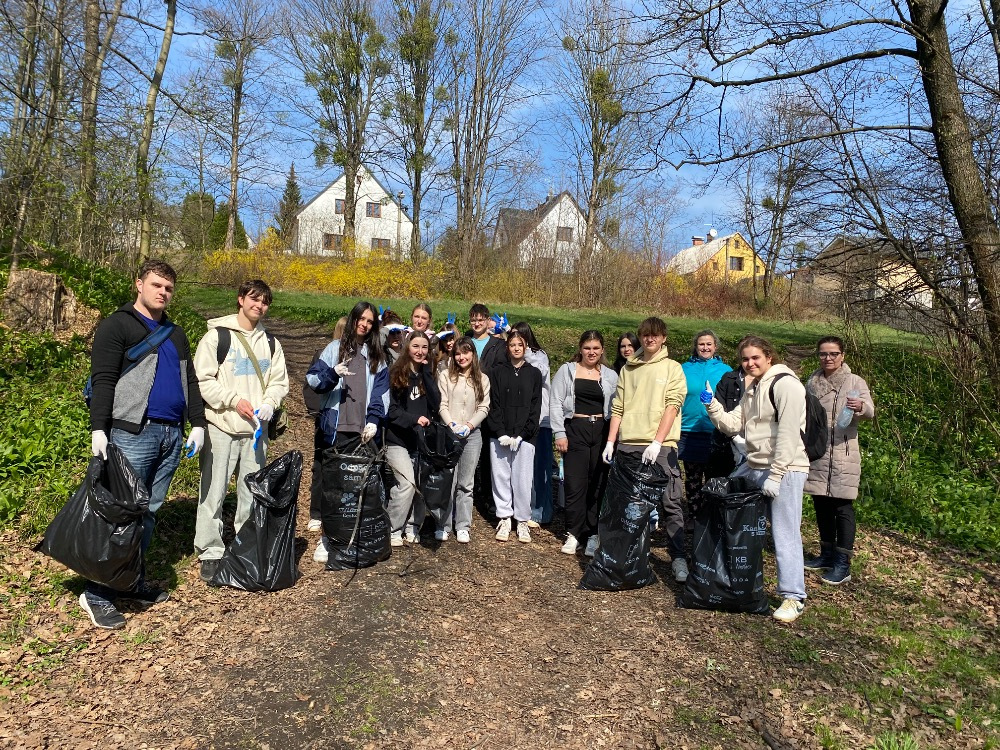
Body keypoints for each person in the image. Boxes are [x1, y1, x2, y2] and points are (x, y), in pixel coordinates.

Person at [83, 259, 207, 629]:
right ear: (139, 284)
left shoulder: (176, 333)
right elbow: (104, 379)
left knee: (148, 512)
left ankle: (129, 581)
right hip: (132, 432)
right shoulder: (117, 325)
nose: (163, 292)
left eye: (168, 288)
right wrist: (99, 428)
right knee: (120, 512)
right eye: (156, 285)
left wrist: (198, 424)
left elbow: (190, 381)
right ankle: (97, 592)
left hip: (171, 434)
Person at [702, 335, 810, 623]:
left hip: (786, 467)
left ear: (769, 357)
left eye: (755, 358)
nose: (749, 363)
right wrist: (712, 405)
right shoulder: (752, 387)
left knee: (784, 531)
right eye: (745, 359)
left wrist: (776, 474)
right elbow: (733, 425)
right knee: (726, 508)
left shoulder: (786, 385)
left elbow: (788, 433)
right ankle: (730, 577)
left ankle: (793, 597)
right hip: (755, 464)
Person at [192, 280, 290, 583]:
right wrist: (234, 400)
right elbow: (202, 380)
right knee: (214, 491)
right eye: (254, 299)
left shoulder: (271, 343)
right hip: (221, 426)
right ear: (240, 299)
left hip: (256, 432)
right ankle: (210, 550)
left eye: (264, 302)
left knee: (251, 493)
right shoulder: (217, 337)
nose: (259, 305)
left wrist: (270, 403)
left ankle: (244, 546)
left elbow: (279, 381)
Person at [603, 317, 688, 581]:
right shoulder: (629, 369)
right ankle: (632, 557)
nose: (650, 339)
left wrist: (658, 441)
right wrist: (611, 441)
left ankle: (678, 558)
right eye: (646, 335)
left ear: (663, 338)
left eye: (655, 335)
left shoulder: (673, 368)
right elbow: (618, 407)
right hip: (629, 444)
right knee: (630, 505)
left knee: (670, 503)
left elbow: (672, 405)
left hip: (661, 447)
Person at [306, 301, 390, 563]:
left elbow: (382, 393)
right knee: (333, 488)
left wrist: (374, 420)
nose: (364, 324)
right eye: (361, 319)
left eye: (369, 321)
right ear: (353, 319)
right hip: (336, 428)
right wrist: (332, 373)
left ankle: (355, 538)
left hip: (363, 431)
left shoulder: (377, 356)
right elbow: (313, 380)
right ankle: (327, 539)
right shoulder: (334, 348)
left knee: (359, 487)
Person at [803, 336, 875, 585]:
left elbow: (870, 411)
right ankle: (826, 554)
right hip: (818, 452)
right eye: (823, 353)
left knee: (842, 507)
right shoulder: (812, 382)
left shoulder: (855, 381)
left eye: (833, 353)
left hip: (844, 453)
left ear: (842, 356)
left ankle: (842, 564)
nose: (828, 358)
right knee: (821, 503)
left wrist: (861, 407)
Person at [550, 331, 618, 556]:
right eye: (587, 348)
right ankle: (574, 533)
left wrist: (613, 439)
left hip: (601, 431)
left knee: (597, 484)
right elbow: (555, 402)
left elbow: (617, 407)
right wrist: (560, 433)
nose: (591, 352)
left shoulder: (610, 375)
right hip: (575, 429)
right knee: (574, 483)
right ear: (580, 348)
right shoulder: (567, 370)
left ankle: (592, 534)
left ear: (602, 350)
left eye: (596, 348)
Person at [385, 331, 440, 545]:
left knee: (421, 486)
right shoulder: (396, 373)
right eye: (416, 346)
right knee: (407, 483)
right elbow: (392, 411)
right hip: (397, 440)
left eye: (424, 347)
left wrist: (427, 374)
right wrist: (414, 419)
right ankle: (392, 528)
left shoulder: (428, 373)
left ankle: (413, 525)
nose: (420, 351)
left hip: (420, 440)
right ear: (407, 347)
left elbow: (436, 403)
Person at [487, 330, 542, 543]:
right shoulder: (497, 372)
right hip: (500, 435)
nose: (516, 348)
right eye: (512, 345)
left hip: (524, 438)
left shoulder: (534, 373)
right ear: (507, 347)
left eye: (520, 344)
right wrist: (500, 432)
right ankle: (504, 518)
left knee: (522, 479)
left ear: (525, 347)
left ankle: (522, 520)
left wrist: (522, 435)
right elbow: (493, 404)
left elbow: (535, 408)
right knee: (501, 477)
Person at [437, 336, 491, 543]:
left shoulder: (482, 379)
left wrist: (469, 425)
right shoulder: (445, 376)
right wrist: (451, 425)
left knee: (466, 483)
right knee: (448, 481)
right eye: (457, 353)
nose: (461, 357)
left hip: (472, 435)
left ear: (473, 354)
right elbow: (442, 404)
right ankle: (443, 523)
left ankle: (463, 525)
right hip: (449, 433)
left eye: (465, 352)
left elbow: (484, 407)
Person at [679, 330, 732, 520]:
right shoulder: (684, 369)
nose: (705, 347)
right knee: (693, 478)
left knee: (713, 479)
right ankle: (694, 518)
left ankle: (712, 520)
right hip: (689, 432)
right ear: (696, 346)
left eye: (709, 344)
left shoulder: (725, 370)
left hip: (715, 431)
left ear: (715, 347)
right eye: (701, 344)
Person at [305, 316, 347, 532]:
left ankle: (337, 509)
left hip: (345, 419)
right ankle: (316, 512)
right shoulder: (325, 354)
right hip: (326, 417)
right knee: (321, 465)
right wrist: (317, 412)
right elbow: (311, 385)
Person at [466, 303, 508, 516]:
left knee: (488, 453)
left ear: (487, 320)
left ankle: (489, 497)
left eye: (480, 319)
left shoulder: (497, 345)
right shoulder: (465, 340)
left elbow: (500, 371)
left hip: (489, 402)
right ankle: (468, 492)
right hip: (466, 402)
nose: (477, 323)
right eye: (473, 319)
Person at [511, 321, 553, 528]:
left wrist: (525, 350)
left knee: (540, 467)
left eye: (520, 340)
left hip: (541, 420)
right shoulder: (512, 358)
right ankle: (522, 508)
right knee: (522, 468)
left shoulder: (539, 355)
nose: (516, 345)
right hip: (521, 420)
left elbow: (541, 373)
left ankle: (541, 511)